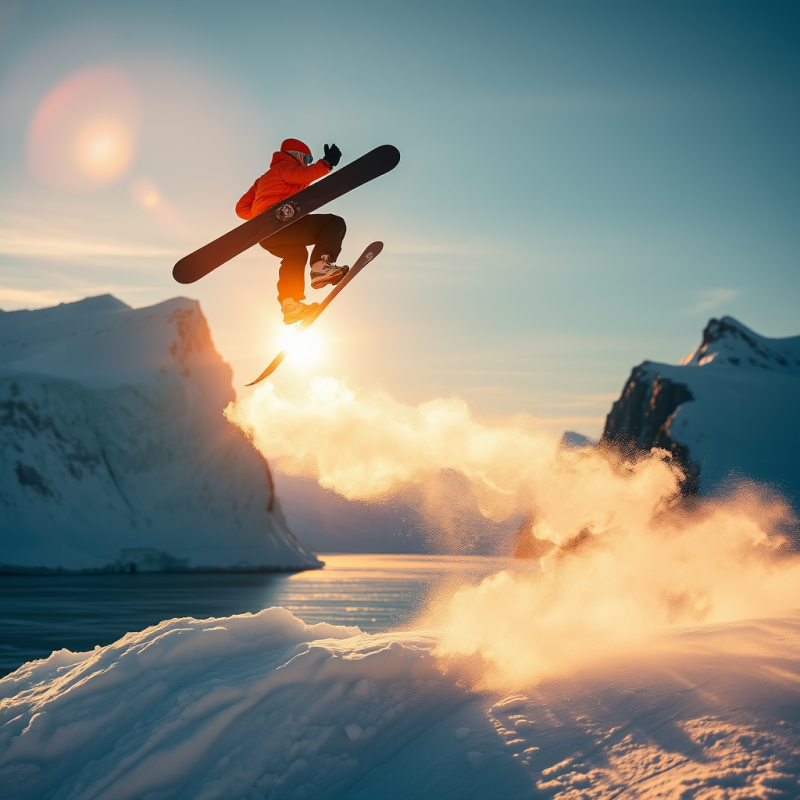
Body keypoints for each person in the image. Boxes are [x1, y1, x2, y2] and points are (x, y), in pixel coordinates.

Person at [235, 138, 347, 324]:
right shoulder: (285, 167)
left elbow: (241, 208)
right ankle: (320, 267)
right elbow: (304, 175)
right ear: (297, 156)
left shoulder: (262, 179)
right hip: (283, 223)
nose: (307, 164)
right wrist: (326, 164)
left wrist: (259, 217)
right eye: (307, 159)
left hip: (266, 235)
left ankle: (291, 305)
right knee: (334, 223)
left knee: (296, 255)